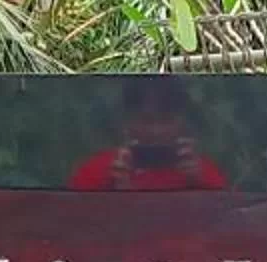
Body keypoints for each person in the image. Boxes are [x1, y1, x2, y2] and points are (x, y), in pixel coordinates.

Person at [65, 78, 230, 192]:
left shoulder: (204, 173)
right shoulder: (97, 171)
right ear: (127, 122)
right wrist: (113, 190)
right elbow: (76, 225)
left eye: (165, 120)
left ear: (181, 123)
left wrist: (198, 184)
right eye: (145, 120)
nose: (155, 131)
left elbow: (224, 227)